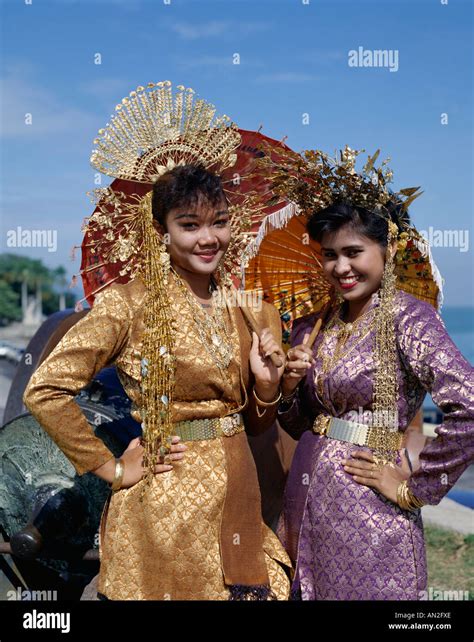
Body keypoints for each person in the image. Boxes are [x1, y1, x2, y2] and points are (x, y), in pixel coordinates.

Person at [23, 82, 291, 600]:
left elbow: (258, 426)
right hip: (165, 504)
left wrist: (265, 385)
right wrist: (111, 467)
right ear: (162, 232)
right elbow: (46, 389)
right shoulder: (129, 304)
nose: (207, 238)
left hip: (238, 491)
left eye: (218, 222)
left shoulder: (249, 306)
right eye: (189, 225)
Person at [270, 148, 474, 600]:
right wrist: (287, 386)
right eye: (329, 255)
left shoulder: (410, 319)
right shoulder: (313, 324)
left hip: (371, 508)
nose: (341, 268)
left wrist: (413, 488)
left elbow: (470, 406)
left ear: (389, 248)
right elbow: (298, 423)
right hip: (307, 496)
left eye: (353, 252)